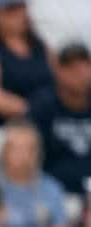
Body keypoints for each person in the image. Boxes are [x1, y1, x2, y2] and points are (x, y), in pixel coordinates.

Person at [0, 0, 53, 159]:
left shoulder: (41, 44)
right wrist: (32, 111)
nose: (17, 16)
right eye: (10, 11)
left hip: (43, 125)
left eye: (20, 9)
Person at [0, 118, 68, 227]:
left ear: (38, 153)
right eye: (16, 148)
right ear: (4, 151)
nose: (23, 155)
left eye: (30, 149)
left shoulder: (51, 188)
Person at [29, 42, 91, 198]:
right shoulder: (42, 107)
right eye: (73, 69)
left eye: (85, 67)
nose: (82, 75)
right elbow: (31, 155)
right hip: (55, 193)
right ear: (59, 72)